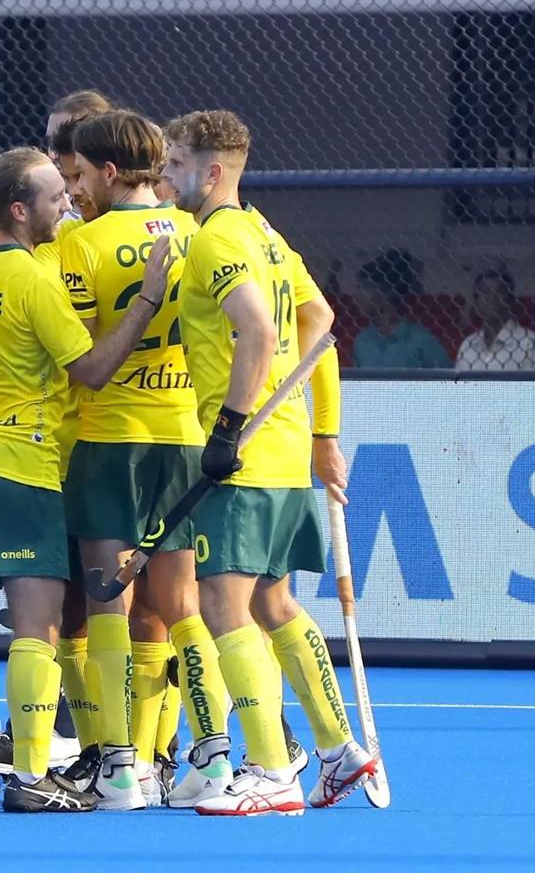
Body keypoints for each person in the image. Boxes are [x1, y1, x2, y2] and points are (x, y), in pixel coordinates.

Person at [0, 147, 174, 813]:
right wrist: (147, 300)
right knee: (38, 630)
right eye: (54, 198)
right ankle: (28, 775)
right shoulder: (33, 281)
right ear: (19, 209)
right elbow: (93, 368)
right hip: (25, 469)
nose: (67, 205)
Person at [161, 109, 376, 815]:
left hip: (244, 455)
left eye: (173, 163)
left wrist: (225, 428)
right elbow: (320, 325)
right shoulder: (266, 233)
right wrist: (323, 434)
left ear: (211, 171)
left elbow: (257, 327)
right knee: (274, 602)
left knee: (225, 605)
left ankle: (271, 767)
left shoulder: (217, 239)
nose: (164, 175)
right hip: (281, 448)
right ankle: (340, 751)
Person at [56, 111, 201, 809]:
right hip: (183, 434)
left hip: (110, 438)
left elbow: (80, 357)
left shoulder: (81, 244)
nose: (74, 187)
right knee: (177, 608)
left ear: (110, 172)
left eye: (80, 174)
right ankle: (177, 756)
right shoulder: (195, 231)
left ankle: (116, 768)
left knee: (107, 598)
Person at [353, 250, 449, 368]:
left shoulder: (421, 341)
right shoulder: (362, 340)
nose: (356, 297)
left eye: (363, 288)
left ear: (385, 293)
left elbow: (446, 382)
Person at [455, 264, 535, 371]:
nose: (492, 297)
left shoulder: (528, 343)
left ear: (510, 301)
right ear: (476, 301)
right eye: (485, 292)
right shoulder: (468, 344)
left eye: (498, 292)